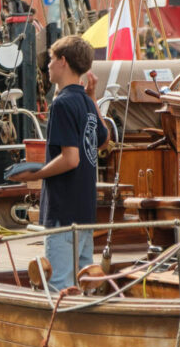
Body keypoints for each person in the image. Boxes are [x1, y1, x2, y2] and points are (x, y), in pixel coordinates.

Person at [6, 36, 108, 291]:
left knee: (59, 285)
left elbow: (70, 158)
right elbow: (103, 140)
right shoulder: (85, 101)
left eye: (51, 60)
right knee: (86, 285)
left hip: (63, 210)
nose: (48, 66)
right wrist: (93, 98)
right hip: (85, 211)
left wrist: (36, 173)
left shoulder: (62, 103)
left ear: (63, 61)